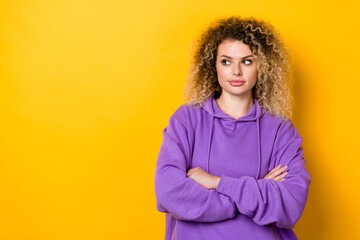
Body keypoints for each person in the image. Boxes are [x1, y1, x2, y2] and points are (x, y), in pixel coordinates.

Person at [154, 16, 311, 240]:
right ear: (213, 65)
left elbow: (290, 204)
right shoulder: (186, 120)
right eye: (226, 61)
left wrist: (216, 182)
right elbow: (169, 193)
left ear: (262, 66)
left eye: (247, 61)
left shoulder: (280, 129)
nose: (236, 71)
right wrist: (255, 191)